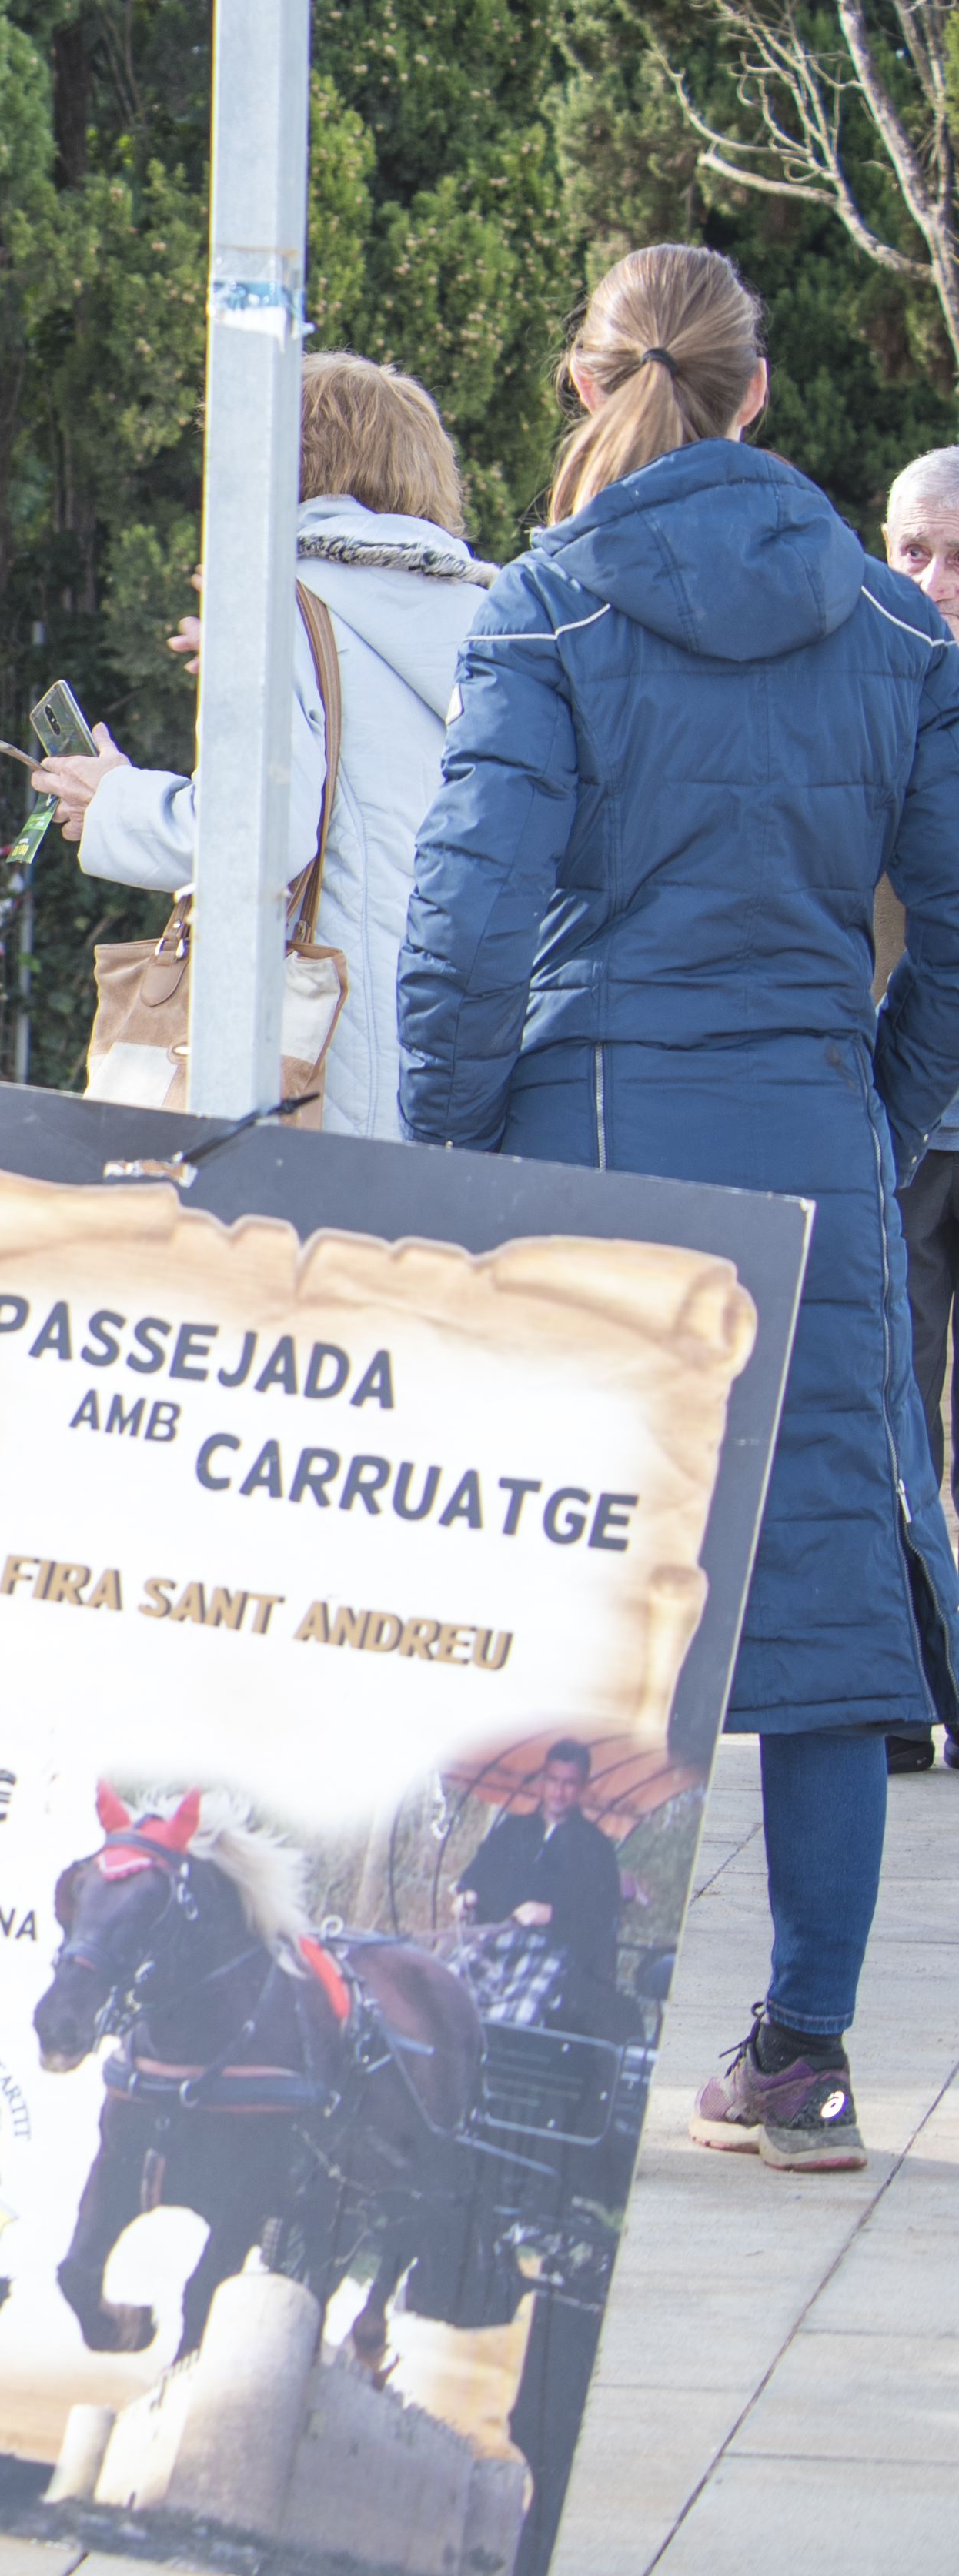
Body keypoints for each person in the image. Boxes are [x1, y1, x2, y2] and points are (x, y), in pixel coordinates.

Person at [401, 242, 959, 2175]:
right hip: (804, 1136)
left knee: (550, 1581)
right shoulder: (897, 633)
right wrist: (868, 1118)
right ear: (759, 393)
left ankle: (508, 2045)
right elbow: (956, 942)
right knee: (817, 1579)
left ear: (583, 388)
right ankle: (798, 2054)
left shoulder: (545, 612)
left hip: (582, 1136)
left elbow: (466, 925)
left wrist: (450, 1150)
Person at [26, 353, 490, 1138]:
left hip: (319, 1050)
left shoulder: (280, 608)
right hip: (454, 1043)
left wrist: (114, 798)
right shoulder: (490, 617)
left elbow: (254, 840)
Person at [887, 448, 959, 1776]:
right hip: (902, 1110)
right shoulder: (873, 681)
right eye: (912, 552)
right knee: (888, 1409)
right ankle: (898, 1687)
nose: (935, 584)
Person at [454, 1740, 628, 2030]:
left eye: (569, 1783)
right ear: (543, 1781)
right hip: (493, 1940)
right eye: (553, 1781)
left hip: (552, 1951)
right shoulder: (512, 1830)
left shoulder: (596, 1848)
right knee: (445, 1992)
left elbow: (601, 1919)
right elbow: (476, 1874)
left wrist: (550, 1914)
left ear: (583, 1787)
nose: (558, 1792)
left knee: (513, 2019)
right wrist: (466, 1894)